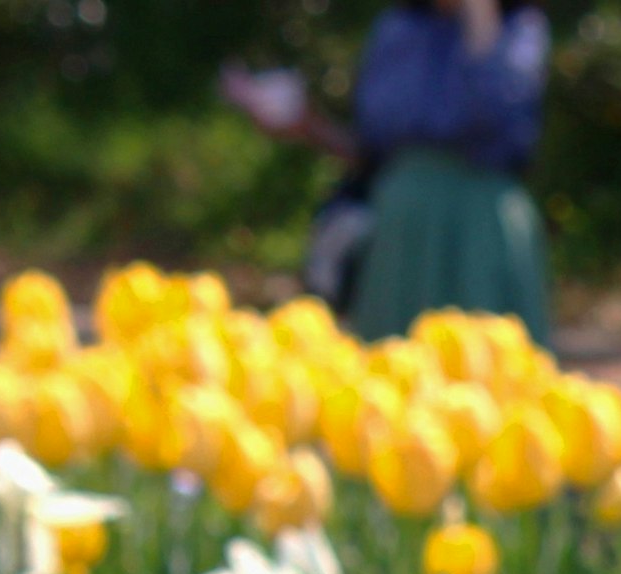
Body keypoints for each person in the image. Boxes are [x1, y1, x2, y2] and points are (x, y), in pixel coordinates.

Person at [225, 0, 548, 344]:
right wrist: (305, 125)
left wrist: (480, 17)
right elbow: (372, 148)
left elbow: (493, 115)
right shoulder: (398, 28)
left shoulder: (520, 26)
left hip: (482, 225)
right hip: (400, 227)